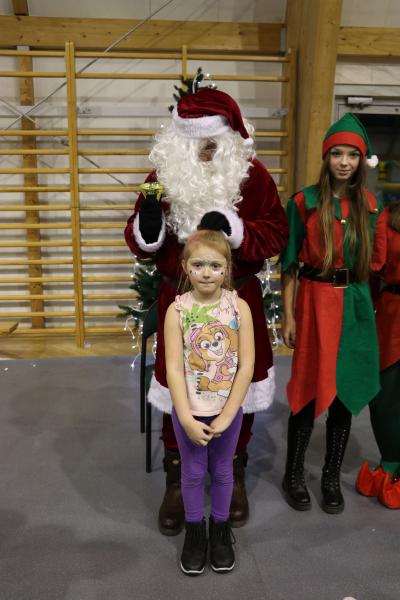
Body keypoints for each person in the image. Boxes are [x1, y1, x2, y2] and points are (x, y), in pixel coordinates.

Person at [125, 86, 289, 535]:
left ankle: (232, 470)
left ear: (230, 140)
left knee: (238, 381)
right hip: (178, 300)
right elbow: (140, 239)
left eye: (212, 144)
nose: (203, 153)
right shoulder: (161, 177)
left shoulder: (253, 176)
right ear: (178, 142)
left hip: (238, 298)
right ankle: (178, 479)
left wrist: (237, 231)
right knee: (178, 380)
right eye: (195, 144)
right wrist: (149, 230)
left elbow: (277, 232)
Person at [279, 113, 386, 514]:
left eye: (352, 155)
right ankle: (293, 474)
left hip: (354, 303)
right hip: (314, 300)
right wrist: (289, 316)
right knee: (308, 388)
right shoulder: (303, 202)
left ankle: (330, 477)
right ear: (326, 157)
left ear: (361, 161)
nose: (344, 162)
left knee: (345, 391)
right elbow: (289, 264)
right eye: (337, 154)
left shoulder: (370, 206)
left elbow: (377, 264)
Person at [165, 229, 254, 575]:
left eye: (215, 265)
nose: (206, 272)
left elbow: (246, 366)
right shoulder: (177, 311)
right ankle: (194, 532)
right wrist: (187, 418)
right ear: (185, 267)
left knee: (223, 470)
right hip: (189, 411)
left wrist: (229, 414)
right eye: (198, 264)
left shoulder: (239, 308)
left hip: (227, 412)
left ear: (227, 268)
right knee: (190, 473)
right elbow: (174, 370)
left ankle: (219, 529)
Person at [355, 199, 400, 508]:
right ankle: (392, 463)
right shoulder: (387, 217)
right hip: (391, 315)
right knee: (386, 396)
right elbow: (372, 269)